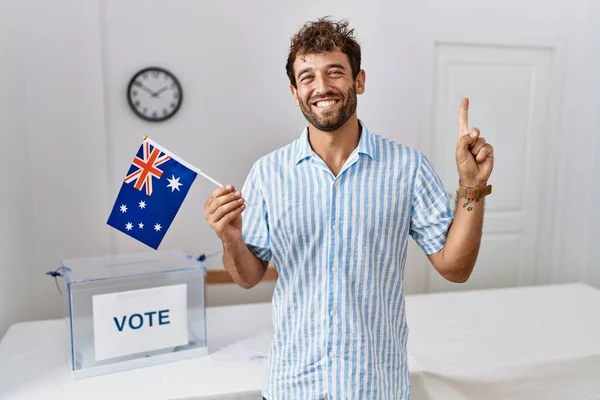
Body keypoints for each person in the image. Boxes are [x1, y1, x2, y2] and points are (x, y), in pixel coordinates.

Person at [204, 16, 494, 400]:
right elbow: (247, 276)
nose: (321, 87)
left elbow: (455, 269)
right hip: (293, 385)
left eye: (335, 72)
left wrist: (472, 187)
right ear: (294, 92)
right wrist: (229, 238)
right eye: (307, 77)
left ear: (359, 81)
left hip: (376, 386)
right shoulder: (268, 173)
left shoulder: (407, 167)